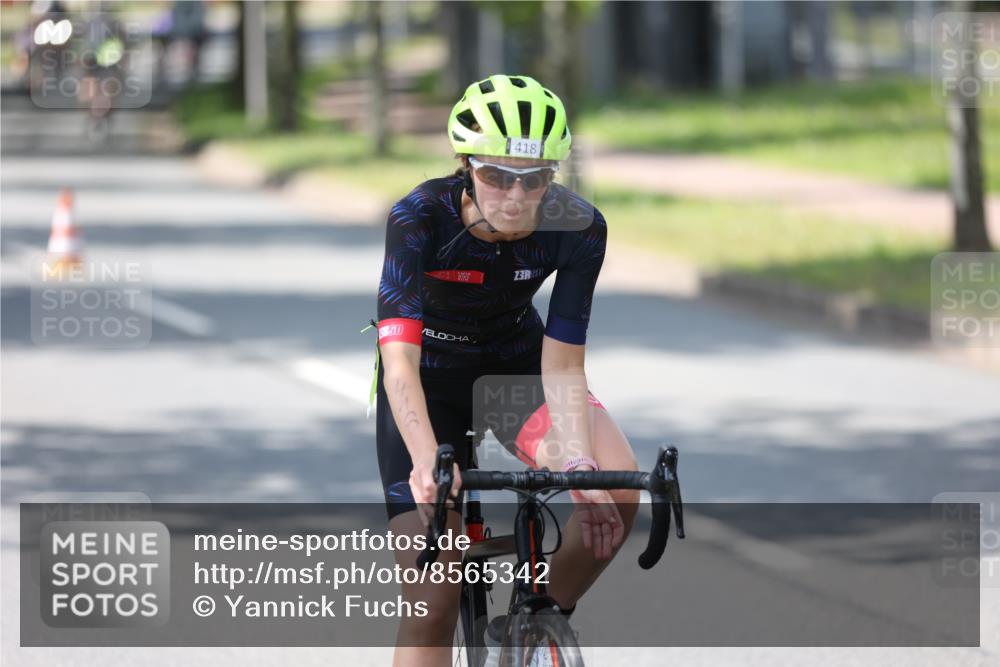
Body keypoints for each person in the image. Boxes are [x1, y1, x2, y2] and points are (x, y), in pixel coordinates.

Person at [374, 74, 640, 667]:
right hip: (430, 387)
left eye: (536, 178)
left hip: (514, 374)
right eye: (497, 175)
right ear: (467, 164)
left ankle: (536, 620)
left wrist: (578, 464)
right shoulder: (419, 218)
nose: (516, 195)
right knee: (433, 600)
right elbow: (399, 362)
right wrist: (424, 460)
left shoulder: (579, 227)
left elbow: (565, 361)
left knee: (616, 484)